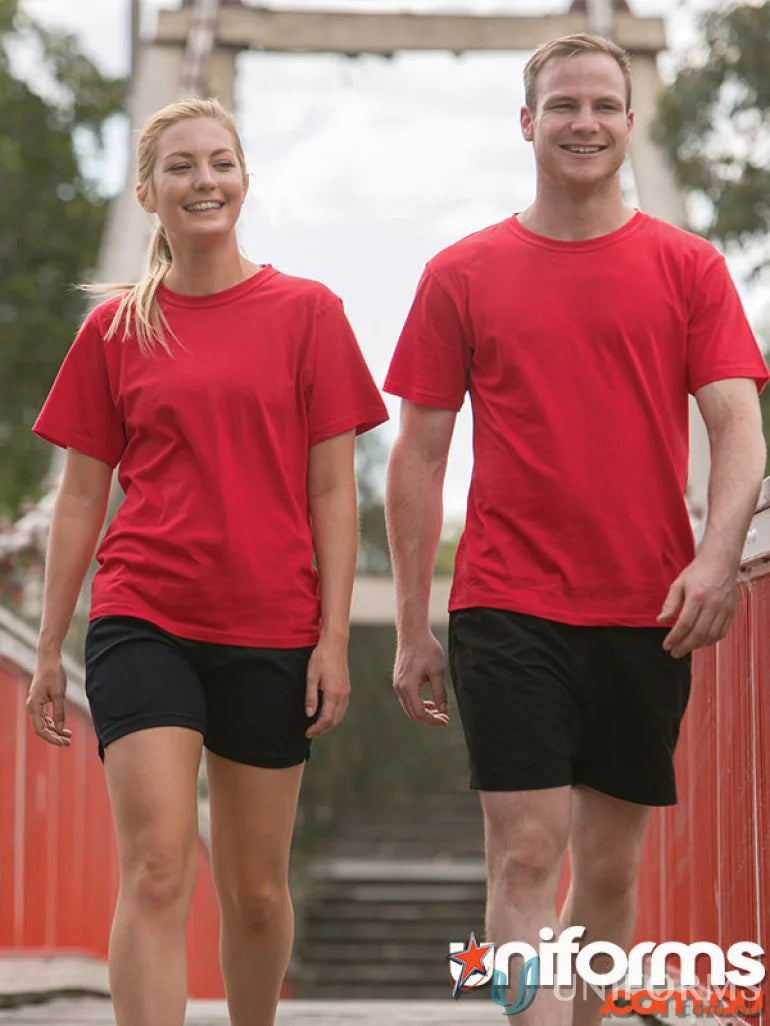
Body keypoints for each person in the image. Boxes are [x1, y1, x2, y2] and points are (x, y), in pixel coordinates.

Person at [383, 34, 767, 1026]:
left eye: (602, 105)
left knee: (605, 873)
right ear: (526, 123)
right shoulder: (458, 274)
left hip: (647, 606)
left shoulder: (687, 269)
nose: (583, 123)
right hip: (506, 601)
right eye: (561, 106)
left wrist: (715, 557)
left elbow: (735, 428)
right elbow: (417, 454)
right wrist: (416, 621)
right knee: (520, 853)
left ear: (629, 123)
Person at [27, 97, 387, 1026]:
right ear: (147, 193)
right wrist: (49, 644)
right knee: (154, 866)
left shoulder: (309, 313)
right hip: (142, 615)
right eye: (180, 167)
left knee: (256, 891)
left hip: (271, 624)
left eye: (220, 163)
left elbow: (333, 493)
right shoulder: (114, 332)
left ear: (245, 180)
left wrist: (334, 638)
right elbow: (79, 496)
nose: (204, 181)